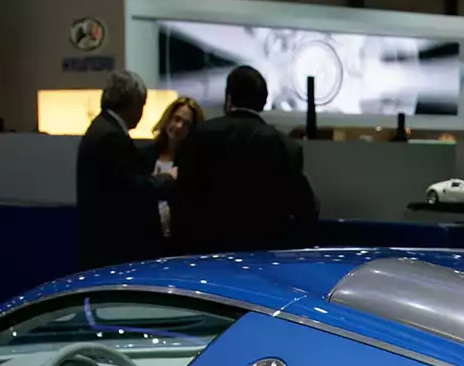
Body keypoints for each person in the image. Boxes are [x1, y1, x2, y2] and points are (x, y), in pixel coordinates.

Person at [172, 65, 318, 254]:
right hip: (262, 257)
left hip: (204, 255)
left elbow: (180, 200)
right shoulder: (286, 147)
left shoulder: (197, 136)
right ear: (263, 102)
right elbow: (305, 210)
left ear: (228, 98)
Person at [76, 71, 174, 270]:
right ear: (132, 103)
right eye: (142, 105)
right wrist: (166, 179)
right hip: (111, 245)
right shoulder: (111, 136)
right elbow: (128, 188)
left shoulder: (102, 128)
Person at [150, 95, 203, 239]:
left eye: (186, 124)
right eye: (177, 119)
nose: (179, 126)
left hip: (179, 236)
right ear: (168, 118)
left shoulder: (194, 162)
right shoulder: (146, 155)